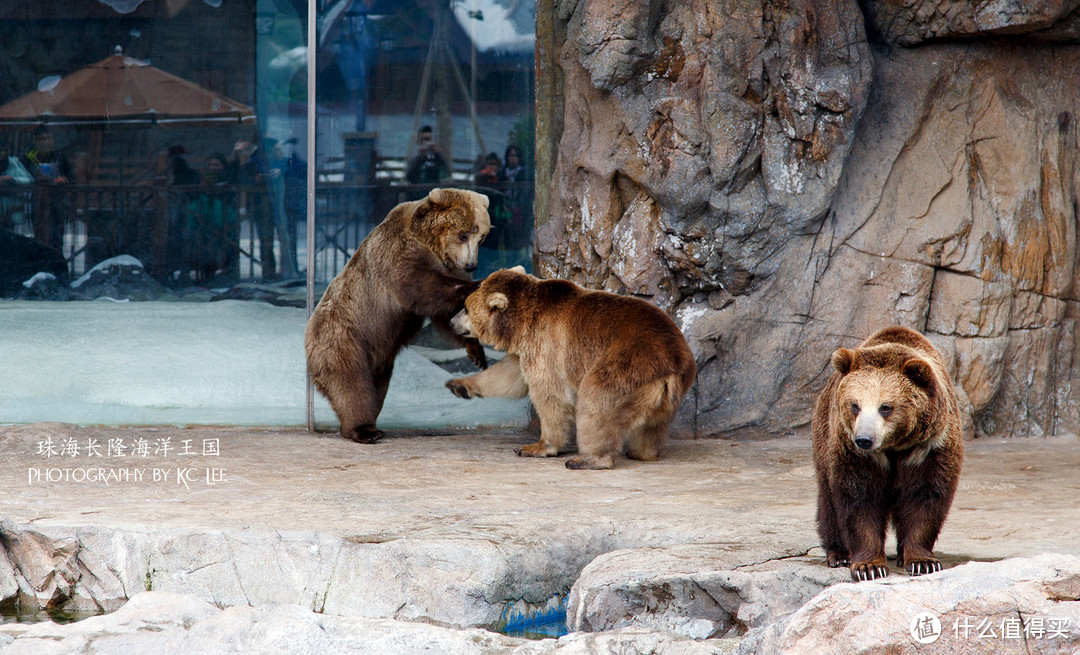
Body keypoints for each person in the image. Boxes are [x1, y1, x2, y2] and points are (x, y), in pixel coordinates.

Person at [0, 141, 33, 228]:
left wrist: (13, 179)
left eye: (3, 151)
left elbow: (29, 180)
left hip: (12, 214)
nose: (2, 153)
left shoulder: (13, 163)